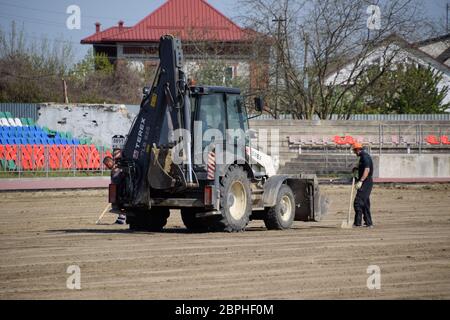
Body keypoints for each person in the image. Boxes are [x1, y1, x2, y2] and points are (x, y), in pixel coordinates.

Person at [351, 142, 374, 228]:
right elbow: (363, 167)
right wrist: (356, 169)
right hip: (366, 181)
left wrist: (361, 181)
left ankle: (357, 223)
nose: (354, 152)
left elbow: (367, 170)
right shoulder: (362, 157)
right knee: (364, 203)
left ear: (357, 149)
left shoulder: (365, 157)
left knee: (358, 202)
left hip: (366, 182)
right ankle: (369, 223)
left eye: (354, 150)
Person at [103, 155, 126, 225]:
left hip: (121, 190)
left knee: (121, 204)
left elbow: (119, 180)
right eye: (106, 165)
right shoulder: (113, 170)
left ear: (111, 161)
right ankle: (121, 218)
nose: (107, 166)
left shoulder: (118, 169)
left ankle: (122, 219)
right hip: (116, 190)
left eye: (107, 164)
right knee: (117, 205)